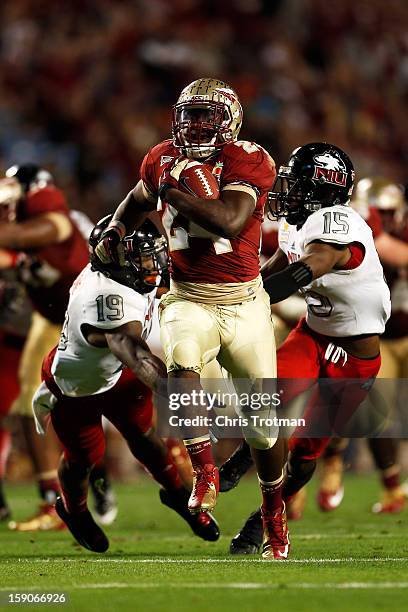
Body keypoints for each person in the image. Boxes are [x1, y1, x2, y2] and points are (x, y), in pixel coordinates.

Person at [94, 78, 290, 560]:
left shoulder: (250, 159)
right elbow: (139, 199)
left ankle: (273, 512)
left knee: (263, 429)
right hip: (187, 296)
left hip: (244, 301)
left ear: (230, 120)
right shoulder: (161, 157)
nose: (197, 124)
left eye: (208, 115)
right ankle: (204, 471)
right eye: (191, 114)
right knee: (181, 363)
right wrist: (119, 225)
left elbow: (227, 219)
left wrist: (175, 192)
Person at [218, 143, 390, 554]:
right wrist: (238, 292)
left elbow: (309, 265)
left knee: (306, 453)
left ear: (323, 189)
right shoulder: (300, 221)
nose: (286, 192)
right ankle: (245, 455)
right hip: (314, 334)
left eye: (296, 184)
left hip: (354, 356)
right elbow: (281, 259)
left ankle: (262, 520)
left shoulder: (338, 222)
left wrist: (254, 299)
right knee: (264, 396)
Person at [33, 216, 219, 552]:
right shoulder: (106, 297)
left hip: (116, 371)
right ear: (117, 261)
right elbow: (134, 352)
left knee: (145, 436)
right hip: (79, 385)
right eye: (144, 257)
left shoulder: (126, 276)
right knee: (84, 458)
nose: (154, 263)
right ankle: (73, 510)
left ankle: (177, 497)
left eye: (153, 254)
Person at [0, 165, 114, 530]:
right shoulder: (18, 220)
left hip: (89, 321)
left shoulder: (53, 219)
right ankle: (53, 499)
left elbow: (25, 236)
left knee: (105, 406)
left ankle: (100, 475)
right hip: (49, 322)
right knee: (27, 406)